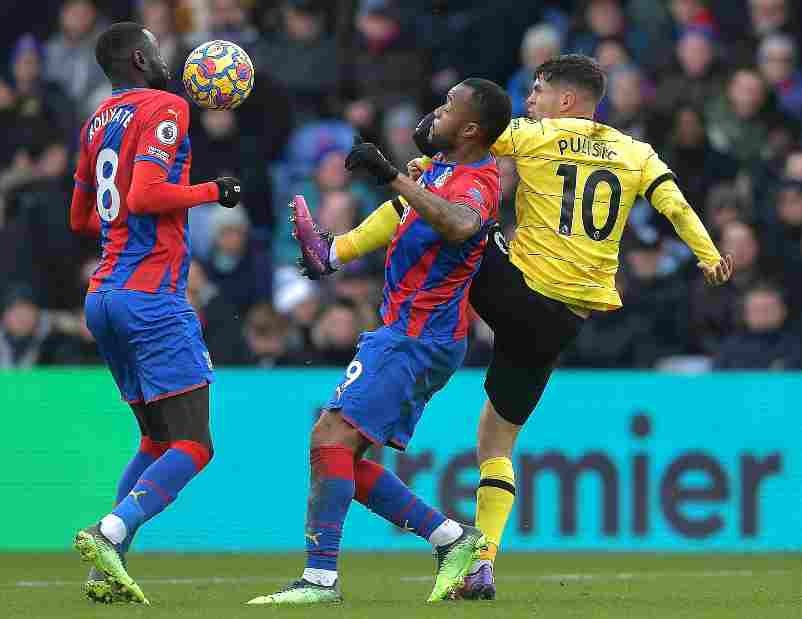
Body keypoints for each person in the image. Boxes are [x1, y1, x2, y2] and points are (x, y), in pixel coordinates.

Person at [298, 55, 734, 600]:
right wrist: (708, 254)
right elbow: (674, 203)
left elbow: (465, 142)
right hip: (563, 323)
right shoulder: (636, 152)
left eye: (537, 91)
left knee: (445, 208)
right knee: (496, 444)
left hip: (520, 290)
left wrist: (407, 166)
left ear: (566, 101)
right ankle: (480, 564)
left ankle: (334, 252)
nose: (529, 102)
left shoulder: (535, 134)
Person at [251, 77, 512, 605]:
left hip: (417, 336)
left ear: (470, 129)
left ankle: (321, 579)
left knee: (329, 436)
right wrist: (336, 252)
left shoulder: (478, 180)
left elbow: (463, 225)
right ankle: (452, 539)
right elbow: (402, 212)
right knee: (339, 453)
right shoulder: (439, 170)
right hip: (405, 332)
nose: (435, 113)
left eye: (446, 107)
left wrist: (392, 174)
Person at [67, 21, 242, 605]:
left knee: (153, 441)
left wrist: (130, 229)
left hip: (104, 296)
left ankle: (104, 572)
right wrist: (212, 192)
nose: (167, 56)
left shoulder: (95, 121)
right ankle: (109, 535)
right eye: (159, 47)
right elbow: (143, 195)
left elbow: (82, 218)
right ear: (141, 58)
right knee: (194, 445)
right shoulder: (166, 106)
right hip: (151, 299)